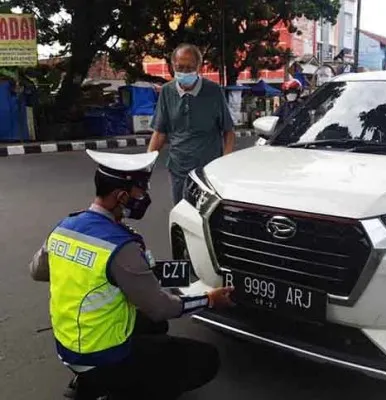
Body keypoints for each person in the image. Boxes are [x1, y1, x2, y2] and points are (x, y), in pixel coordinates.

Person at [29, 149, 235, 400]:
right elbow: (161, 307)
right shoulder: (120, 245)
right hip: (101, 355)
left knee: (154, 326)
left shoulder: (65, 228)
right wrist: (210, 299)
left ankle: (90, 378)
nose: (145, 196)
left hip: (69, 344)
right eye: (141, 191)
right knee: (205, 358)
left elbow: (37, 271)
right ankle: (116, 388)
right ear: (121, 196)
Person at [148, 43, 236, 205]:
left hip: (208, 171)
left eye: (190, 68)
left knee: (206, 215)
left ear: (199, 67)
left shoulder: (214, 91)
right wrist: (146, 165)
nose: (184, 72)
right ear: (173, 66)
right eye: (180, 67)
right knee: (182, 213)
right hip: (178, 169)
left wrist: (226, 161)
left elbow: (228, 131)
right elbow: (160, 133)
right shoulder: (167, 92)